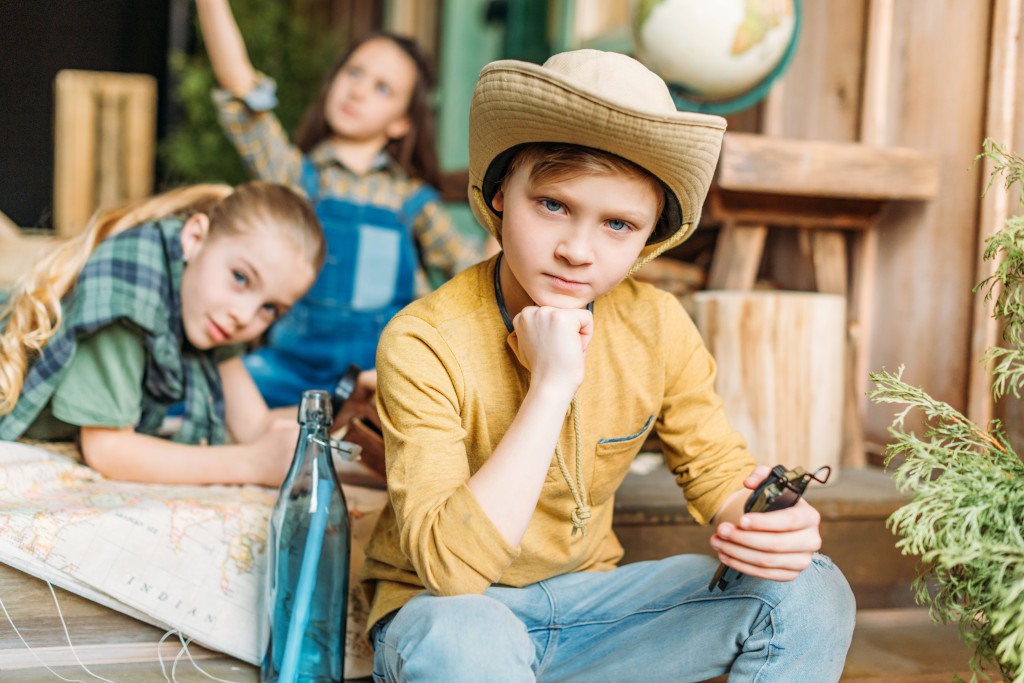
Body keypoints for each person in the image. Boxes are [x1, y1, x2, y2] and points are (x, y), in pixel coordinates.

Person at [359, 49, 857, 682]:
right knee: (468, 638)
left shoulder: (657, 325)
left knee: (809, 586)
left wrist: (765, 525)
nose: (576, 251)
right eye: (553, 206)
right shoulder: (423, 339)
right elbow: (450, 571)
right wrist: (552, 384)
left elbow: (715, 472)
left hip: (593, 611)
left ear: (647, 240)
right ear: (499, 195)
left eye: (617, 224)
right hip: (449, 615)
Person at [196, 0, 490, 410]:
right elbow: (241, 94)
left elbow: (477, 274)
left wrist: (506, 209)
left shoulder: (411, 200)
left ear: (401, 121)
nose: (358, 90)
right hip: (287, 370)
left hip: (377, 378)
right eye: (354, 73)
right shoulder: (295, 176)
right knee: (199, 398)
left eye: (382, 88)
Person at [0, 182, 325, 487]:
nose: (244, 316)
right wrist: (252, 464)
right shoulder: (128, 296)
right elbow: (107, 449)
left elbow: (254, 426)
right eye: (241, 277)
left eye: (270, 308)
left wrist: (344, 409)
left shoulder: (210, 304)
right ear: (194, 238)